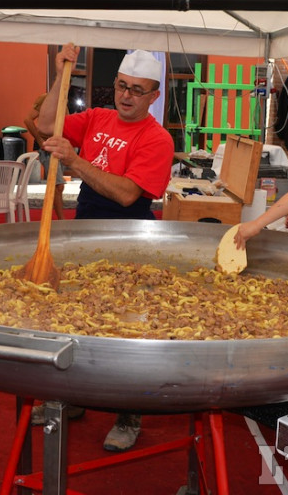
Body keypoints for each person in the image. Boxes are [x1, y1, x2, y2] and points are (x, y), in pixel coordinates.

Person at [33, 45, 174, 453]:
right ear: (114, 85)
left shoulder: (157, 138)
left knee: (128, 327)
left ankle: (128, 413)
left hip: (132, 236)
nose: (127, 96)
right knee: (79, 316)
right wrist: (64, 70)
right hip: (88, 227)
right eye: (122, 87)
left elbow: (128, 193)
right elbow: (46, 123)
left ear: (153, 95)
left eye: (138, 90)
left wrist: (74, 161)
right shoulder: (96, 118)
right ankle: (74, 398)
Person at [24, 93, 66, 220]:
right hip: (48, 148)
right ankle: (61, 221)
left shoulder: (64, 101)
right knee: (57, 185)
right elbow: (27, 119)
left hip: (59, 146)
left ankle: (56, 216)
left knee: (58, 186)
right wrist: (39, 139)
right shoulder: (46, 99)